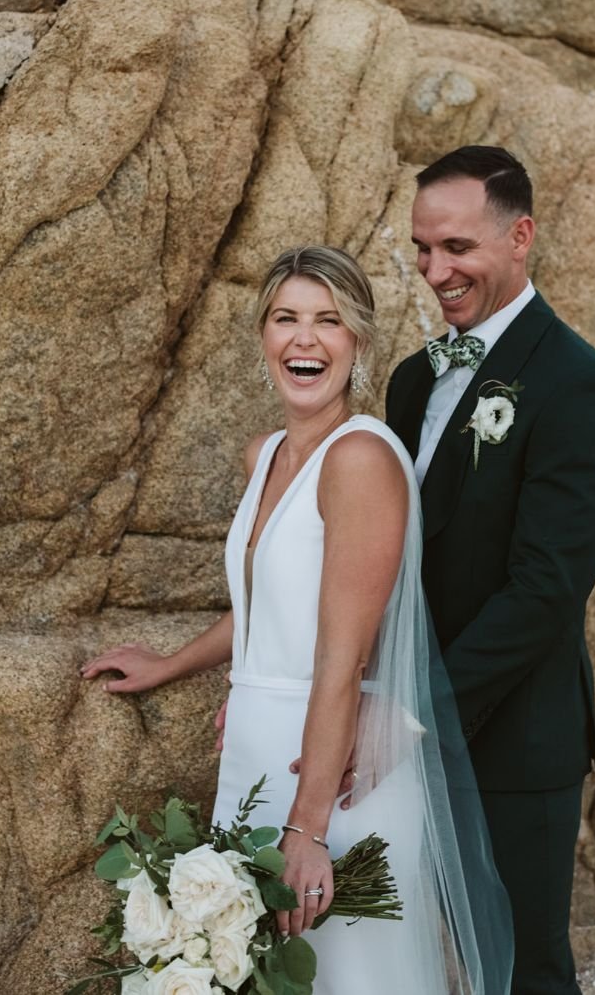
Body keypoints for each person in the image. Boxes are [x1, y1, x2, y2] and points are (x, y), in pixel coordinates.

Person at [81, 245, 513, 995]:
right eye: (286, 318)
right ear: (262, 336)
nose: (304, 339)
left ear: (359, 343)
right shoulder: (267, 453)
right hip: (255, 750)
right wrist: (173, 661)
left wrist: (308, 828)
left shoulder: (360, 460)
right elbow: (268, 604)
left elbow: (342, 654)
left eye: (328, 321)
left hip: (330, 777)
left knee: (346, 977)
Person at [384, 146, 595, 995]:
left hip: (512, 739)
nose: (435, 269)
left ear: (519, 235)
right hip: (392, 723)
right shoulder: (412, 380)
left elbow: (546, 589)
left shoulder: (579, 386)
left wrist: (417, 712)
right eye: (422, 248)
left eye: (456, 247)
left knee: (521, 969)